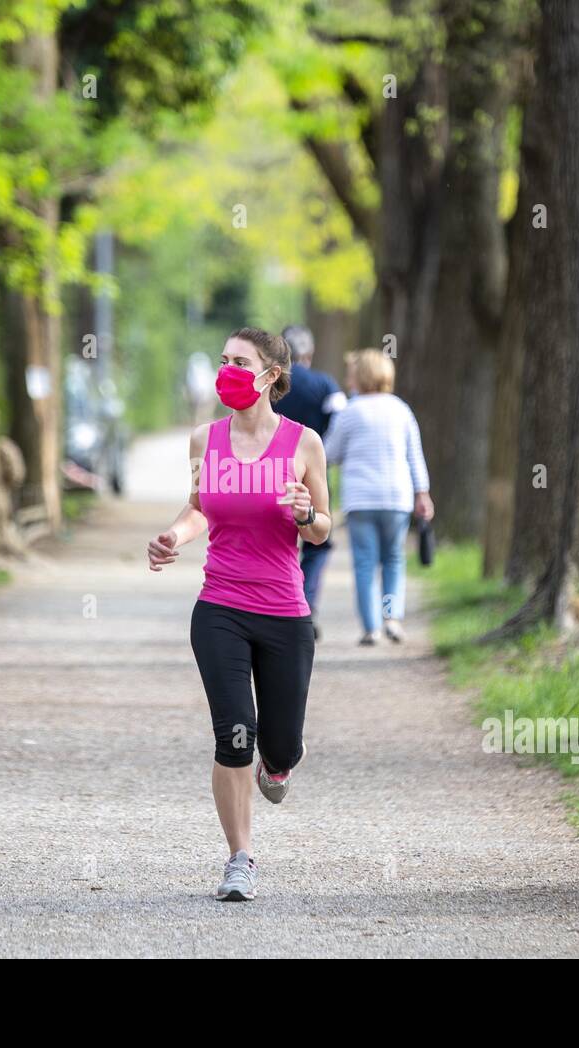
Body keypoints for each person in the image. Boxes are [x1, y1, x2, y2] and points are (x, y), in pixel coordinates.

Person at [147, 326, 331, 902]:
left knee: (283, 744)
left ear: (270, 375)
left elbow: (324, 530)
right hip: (220, 608)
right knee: (234, 735)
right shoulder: (207, 438)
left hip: (284, 611)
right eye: (223, 359)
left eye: (239, 361)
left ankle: (277, 767)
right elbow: (201, 507)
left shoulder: (304, 444)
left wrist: (305, 514)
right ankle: (239, 860)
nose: (227, 368)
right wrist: (174, 535)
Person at [323, 348, 434, 645]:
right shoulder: (401, 410)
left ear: (360, 377)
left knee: (365, 563)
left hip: (361, 500)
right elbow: (415, 456)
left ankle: (371, 627)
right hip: (397, 497)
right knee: (393, 559)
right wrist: (422, 493)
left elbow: (330, 453)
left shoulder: (350, 411)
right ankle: (392, 618)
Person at [274, 324, 346, 639]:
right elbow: (340, 423)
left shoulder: (271, 384)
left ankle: (275, 606)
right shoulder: (325, 385)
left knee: (275, 540)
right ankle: (304, 604)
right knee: (316, 541)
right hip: (315, 472)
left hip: (273, 470)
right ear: (310, 353)